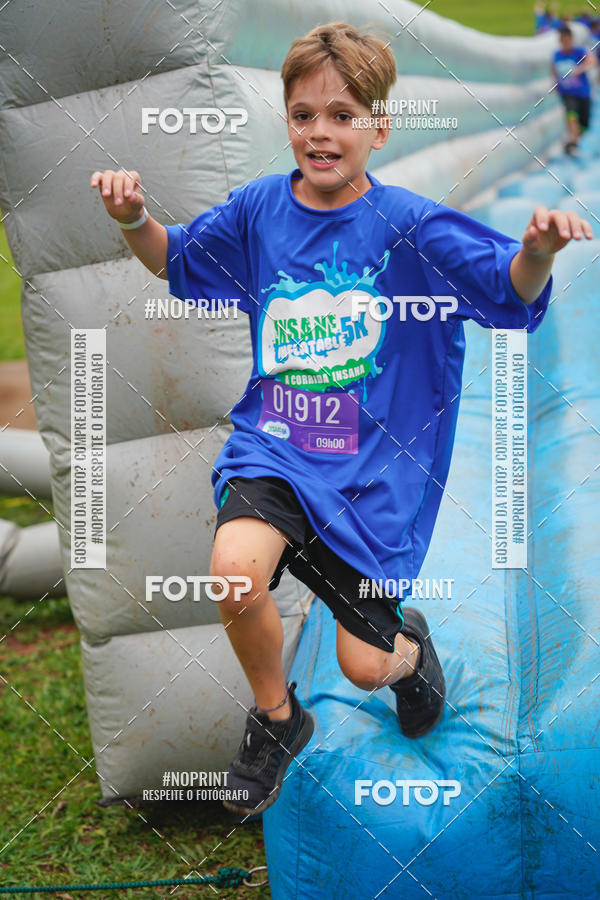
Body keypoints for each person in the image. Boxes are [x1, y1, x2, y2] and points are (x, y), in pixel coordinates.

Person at [90, 22, 593, 819]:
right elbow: (178, 260)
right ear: (285, 120)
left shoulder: (409, 227)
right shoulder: (261, 210)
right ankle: (278, 718)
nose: (320, 132)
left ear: (379, 126)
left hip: (369, 484)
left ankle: (409, 651)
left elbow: (508, 290)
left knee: (364, 666)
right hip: (278, 449)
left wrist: (535, 250)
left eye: (342, 114)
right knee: (232, 569)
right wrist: (132, 220)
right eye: (302, 115)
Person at [551, 24, 596, 155]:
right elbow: (554, 70)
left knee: (584, 125)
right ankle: (574, 144)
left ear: (571, 39)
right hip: (567, 93)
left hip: (582, 93)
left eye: (567, 39)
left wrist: (578, 70)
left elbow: (592, 60)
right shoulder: (557, 55)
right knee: (571, 115)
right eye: (562, 40)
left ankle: (572, 141)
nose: (565, 42)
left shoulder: (579, 51)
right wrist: (555, 84)